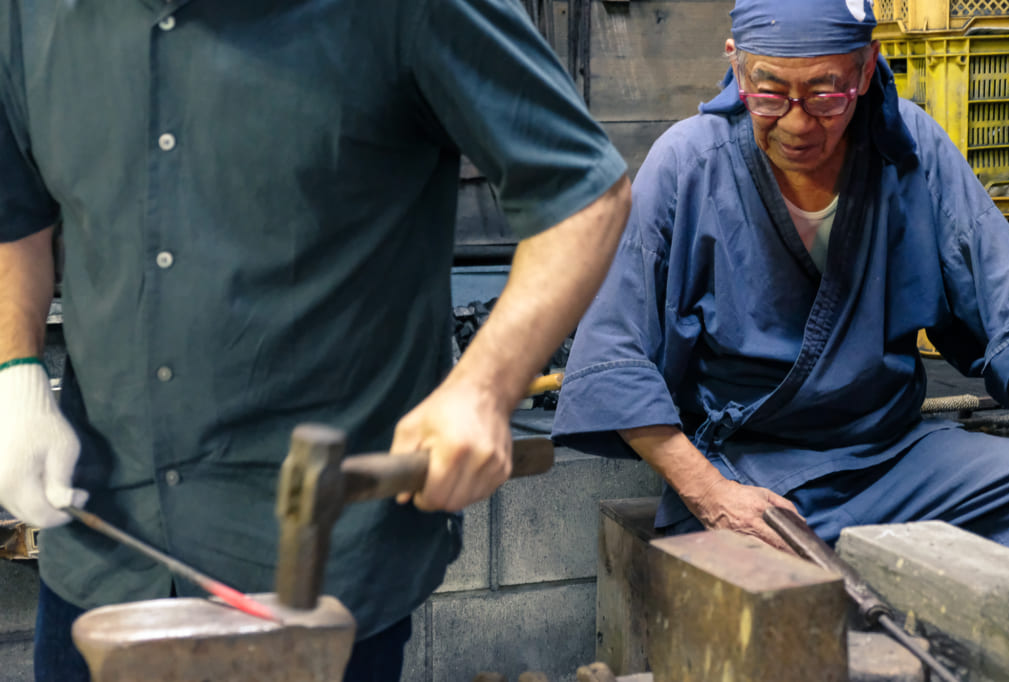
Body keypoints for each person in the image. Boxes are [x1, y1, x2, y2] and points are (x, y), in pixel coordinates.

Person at [0, 2, 631, 681]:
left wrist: (483, 389)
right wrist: (15, 367)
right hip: (101, 550)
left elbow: (584, 192)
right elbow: (17, 215)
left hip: (318, 583)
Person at [552, 0, 1009, 557]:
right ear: (737, 63)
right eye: (770, 93)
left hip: (895, 453)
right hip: (753, 468)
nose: (798, 124)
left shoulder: (909, 145)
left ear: (867, 67)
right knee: (770, 593)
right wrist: (711, 494)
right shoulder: (688, 161)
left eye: (827, 94)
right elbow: (612, 352)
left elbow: (1006, 303)